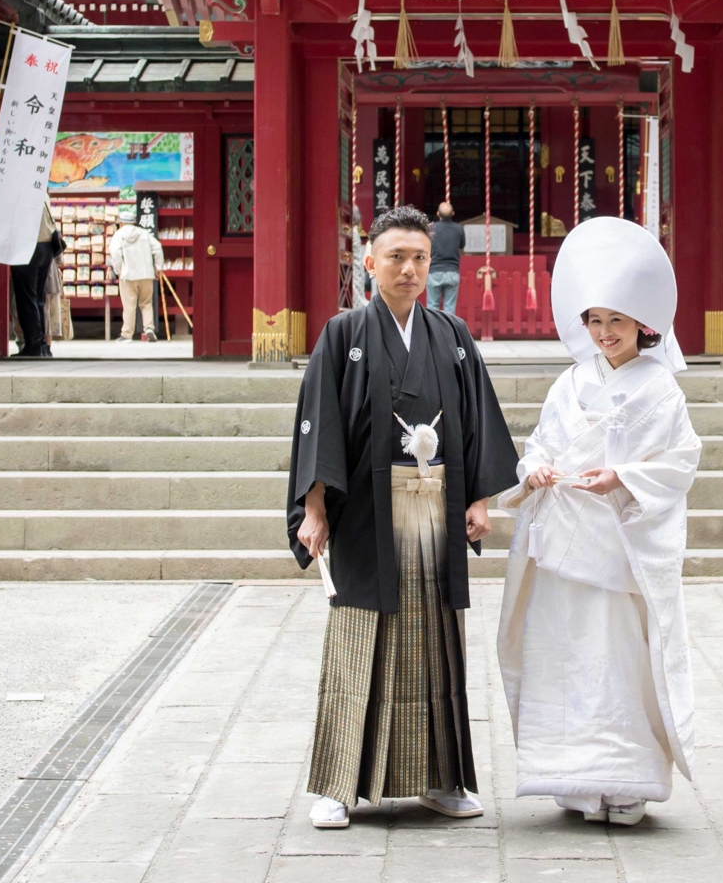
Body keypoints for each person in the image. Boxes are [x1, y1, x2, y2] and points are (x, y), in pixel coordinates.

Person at [287, 204, 519, 830]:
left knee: (433, 643)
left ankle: (439, 779)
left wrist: (478, 498)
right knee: (359, 637)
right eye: (396, 256)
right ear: (370, 262)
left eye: (420, 257)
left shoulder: (452, 334)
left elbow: (475, 422)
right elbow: (319, 426)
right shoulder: (343, 334)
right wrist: (314, 509)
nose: (411, 269)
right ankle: (338, 784)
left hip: (436, 508)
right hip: (363, 508)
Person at [497, 216, 699, 828]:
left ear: (643, 323)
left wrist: (624, 478)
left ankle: (628, 780)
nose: (605, 333)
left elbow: (681, 460)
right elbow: (540, 444)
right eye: (595, 321)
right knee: (563, 653)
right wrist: (533, 471)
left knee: (617, 658)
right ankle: (574, 780)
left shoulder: (662, 390)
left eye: (616, 320)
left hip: (616, 543)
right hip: (562, 540)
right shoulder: (571, 381)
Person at [10, 195, 59, 358]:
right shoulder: (42, 193)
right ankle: (42, 345)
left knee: (26, 299)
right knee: (38, 299)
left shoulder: (21, 190)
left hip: (28, 245)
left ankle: (33, 345)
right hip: (46, 246)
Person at [108, 205, 166, 341]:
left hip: (128, 276)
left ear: (121, 223)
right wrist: (158, 268)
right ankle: (149, 328)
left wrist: (118, 270)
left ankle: (127, 334)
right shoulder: (144, 233)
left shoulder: (118, 235)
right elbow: (158, 247)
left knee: (129, 306)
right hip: (146, 274)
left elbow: (115, 254)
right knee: (146, 303)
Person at [427, 201, 465, 316]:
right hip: (452, 270)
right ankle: (448, 332)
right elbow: (462, 245)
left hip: (434, 270)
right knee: (449, 307)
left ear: (438, 214)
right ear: (453, 213)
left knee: (432, 306)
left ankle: (433, 331)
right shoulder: (459, 229)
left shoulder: (431, 228)